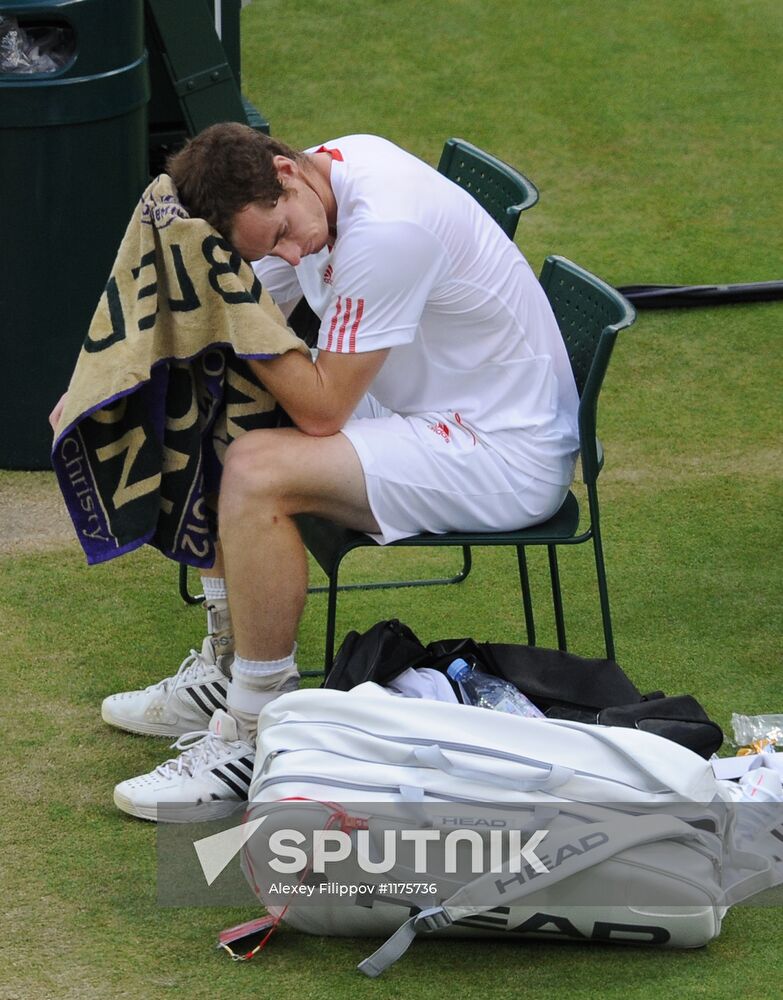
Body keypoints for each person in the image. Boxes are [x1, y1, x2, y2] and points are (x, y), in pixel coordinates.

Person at [52, 124, 580, 821]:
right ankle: (228, 666)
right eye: (267, 247)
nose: (293, 252)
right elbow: (229, 317)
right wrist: (95, 382)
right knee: (218, 403)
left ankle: (254, 727)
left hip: (501, 452)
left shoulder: (386, 230)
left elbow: (322, 404)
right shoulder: (309, 184)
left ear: (285, 171)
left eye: (284, 233)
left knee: (256, 469)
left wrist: (232, 309)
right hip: (426, 412)